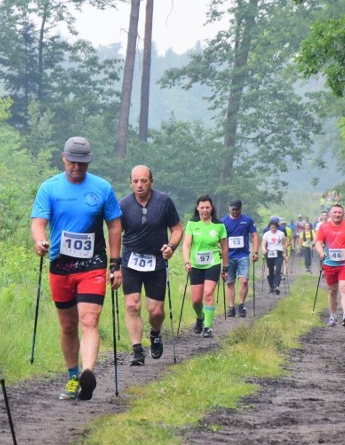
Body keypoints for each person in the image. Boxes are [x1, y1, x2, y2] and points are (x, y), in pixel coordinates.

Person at [31, 137, 122, 401]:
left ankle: (87, 373)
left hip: (93, 263)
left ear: (88, 161)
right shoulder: (49, 188)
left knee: (89, 320)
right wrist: (39, 240)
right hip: (61, 265)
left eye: (82, 164)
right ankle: (72, 378)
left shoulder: (102, 188)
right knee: (68, 326)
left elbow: (115, 226)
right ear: (63, 158)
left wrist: (115, 264)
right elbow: (39, 222)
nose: (77, 168)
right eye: (72, 162)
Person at [119, 165, 183, 366]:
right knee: (132, 305)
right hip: (131, 260)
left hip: (156, 260)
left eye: (144, 181)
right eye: (135, 181)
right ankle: (137, 350)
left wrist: (171, 246)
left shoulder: (164, 201)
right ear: (131, 183)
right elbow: (114, 231)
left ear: (151, 182)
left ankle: (155, 334)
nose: (139, 185)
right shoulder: (123, 204)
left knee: (155, 311)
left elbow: (177, 229)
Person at [182, 195, 228, 338]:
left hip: (212, 263)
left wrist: (225, 267)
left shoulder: (219, 225)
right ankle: (200, 317)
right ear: (197, 208)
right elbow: (186, 244)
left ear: (211, 208)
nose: (205, 210)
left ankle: (208, 327)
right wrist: (186, 261)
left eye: (207, 207)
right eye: (202, 207)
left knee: (208, 293)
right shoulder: (192, 223)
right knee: (196, 300)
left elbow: (225, 247)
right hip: (195, 265)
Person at [315, 204, 345, 327]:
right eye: (335, 212)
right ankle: (333, 316)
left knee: (344, 288)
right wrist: (321, 252)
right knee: (332, 290)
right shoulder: (323, 227)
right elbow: (319, 242)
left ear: (343, 214)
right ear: (330, 214)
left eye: (339, 213)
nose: (337, 214)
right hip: (329, 264)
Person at [221, 199, 259, 318]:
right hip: (229, 256)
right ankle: (231, 307)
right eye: (233, 209)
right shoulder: (223, 221)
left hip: (243, 255)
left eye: (237, 209)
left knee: (244, 280)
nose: (235, 211)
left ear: (241, 209)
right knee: (230, 282)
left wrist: (256, 252)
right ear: (229, 208)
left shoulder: (247, 220)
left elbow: (254, 235)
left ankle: (241, 304)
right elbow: (219, 238)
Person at [261, 220, 287, 295]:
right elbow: (263, 244)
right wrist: (264, 251)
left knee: (278, 270)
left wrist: (285, 253)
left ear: (277, 227)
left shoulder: (281, 233)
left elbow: (285, 243)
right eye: (272, 227)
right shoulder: (266, 234)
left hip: (278, 252)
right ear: (269, 227)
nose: (273, 229)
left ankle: (276, 286)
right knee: (271, 270)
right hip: (269, 253)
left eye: (274, 227)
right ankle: (271, 286)